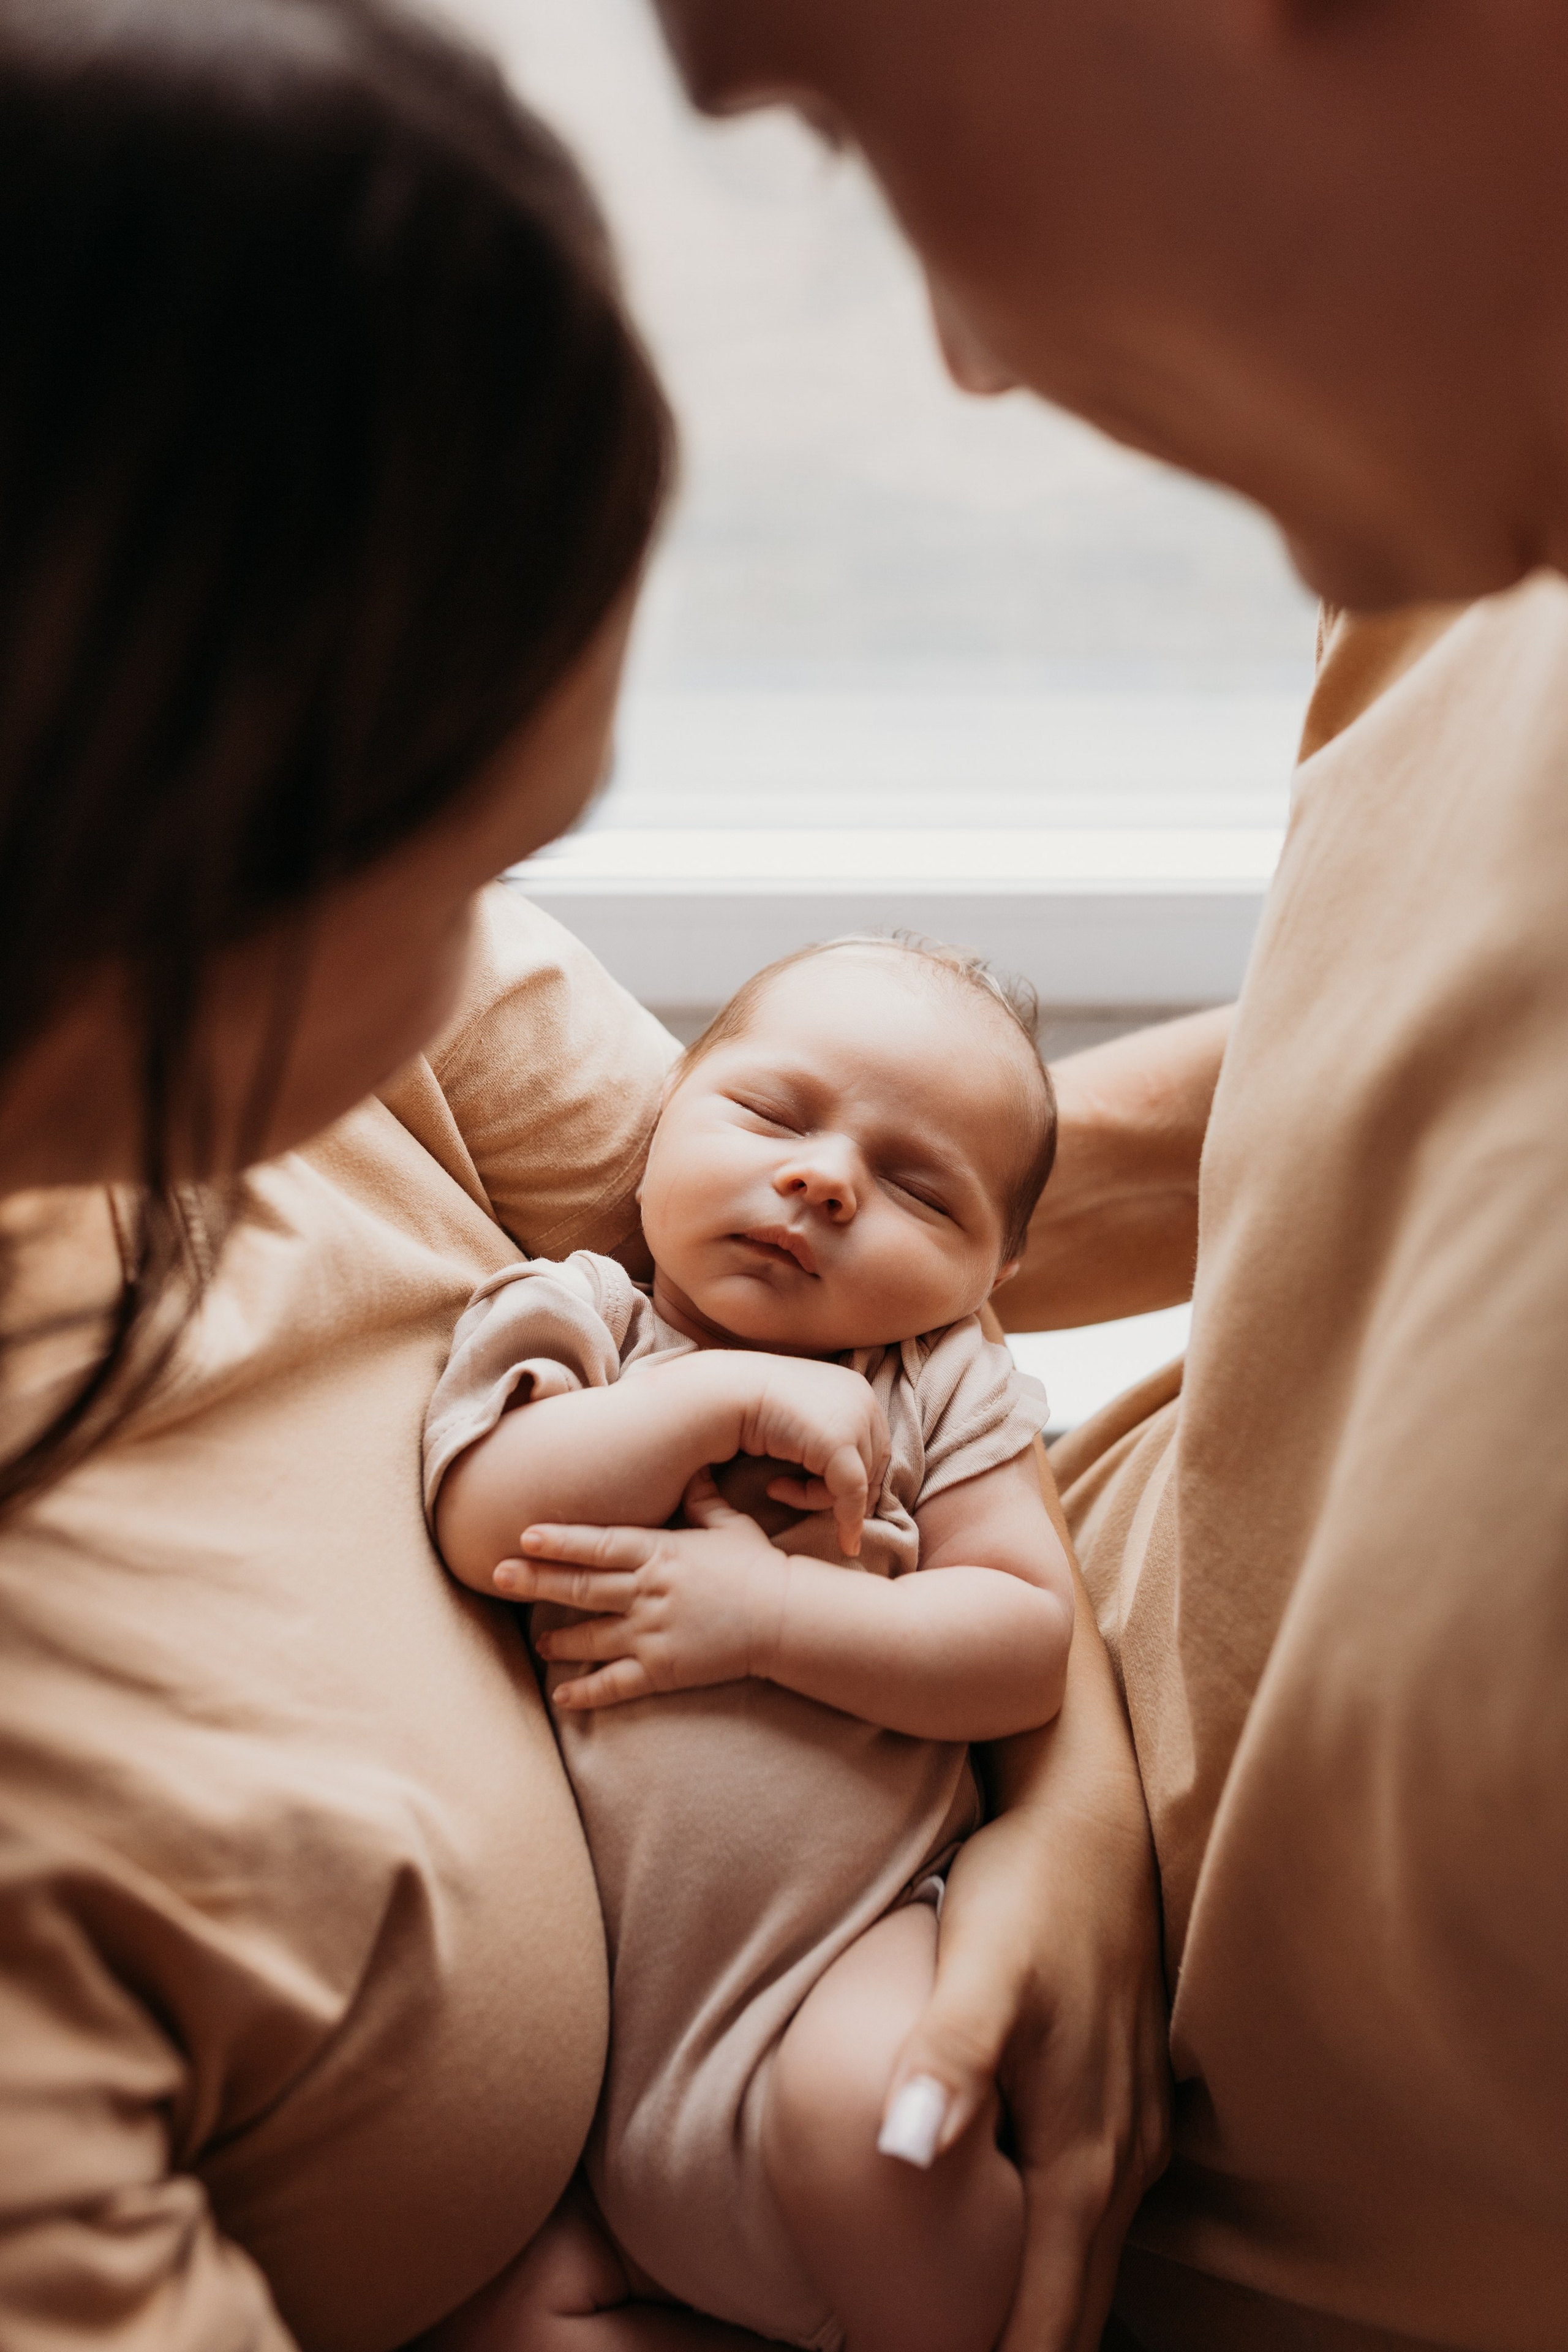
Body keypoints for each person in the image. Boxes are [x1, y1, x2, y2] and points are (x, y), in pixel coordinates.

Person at [0, 6, 1164, 2350]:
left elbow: (921, 1256)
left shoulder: (362, 1031)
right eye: (478, 855)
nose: (503, 957)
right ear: (169, 827)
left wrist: (1070, 1835)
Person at [649, 4, 1568, 2348]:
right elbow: (1408, 1065)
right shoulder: (1484, 521)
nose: (966, 356)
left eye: (850, 112)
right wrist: (1048, 1768)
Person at [424, 936, 1073, 2352]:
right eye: (774, 1118)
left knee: (870, 2128)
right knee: (475, 2310)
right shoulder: (576, 1318)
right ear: (663, 1120)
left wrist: (773, 1617)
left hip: (844, 1954)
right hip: (593, 2094)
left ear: (990, 1268)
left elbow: (1022, 1637)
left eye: (915, 1188)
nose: (826, 1180)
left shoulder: (942, 1381)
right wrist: (717, 1404)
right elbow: (484, 1519)